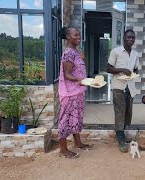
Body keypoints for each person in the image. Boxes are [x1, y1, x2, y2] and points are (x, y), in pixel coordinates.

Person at [58, 26, 91, 158]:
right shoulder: (69, 53)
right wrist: (80, 79)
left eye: (79, 35)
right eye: (75, 35)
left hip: (77, 91)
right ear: (68, 37)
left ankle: (78, 143)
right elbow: (67, 74)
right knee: (65, 120)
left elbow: (77, 69)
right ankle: (63, 149)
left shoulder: (75, 52)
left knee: (75, 117)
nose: (78, 37)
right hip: (69, 93)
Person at [107, 29, 139, 153]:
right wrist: (122, 70)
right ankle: (119, 136)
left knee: (128, 112)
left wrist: (134, 74)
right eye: (128, 37)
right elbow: (108, 68)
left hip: (130, 86)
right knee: (120, 111)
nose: (130, 39)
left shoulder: (135, 54)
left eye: (133, 38)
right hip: (118, 86)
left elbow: (136, 69)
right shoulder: (116, 51)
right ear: (124, 38)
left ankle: (122, 132)